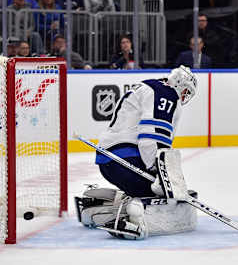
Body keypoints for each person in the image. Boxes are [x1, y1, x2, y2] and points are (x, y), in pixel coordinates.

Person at [75, 66, 198, 239]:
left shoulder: (149, 87)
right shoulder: (167, 94)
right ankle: (130, 218)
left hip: (111, 161)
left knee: (151, 191)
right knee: (159, 195)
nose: (184, 97)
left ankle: (96, 209)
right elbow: (150, 138)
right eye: (186, 91)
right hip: (127, 159)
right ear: (178, 83)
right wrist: (157, 170)